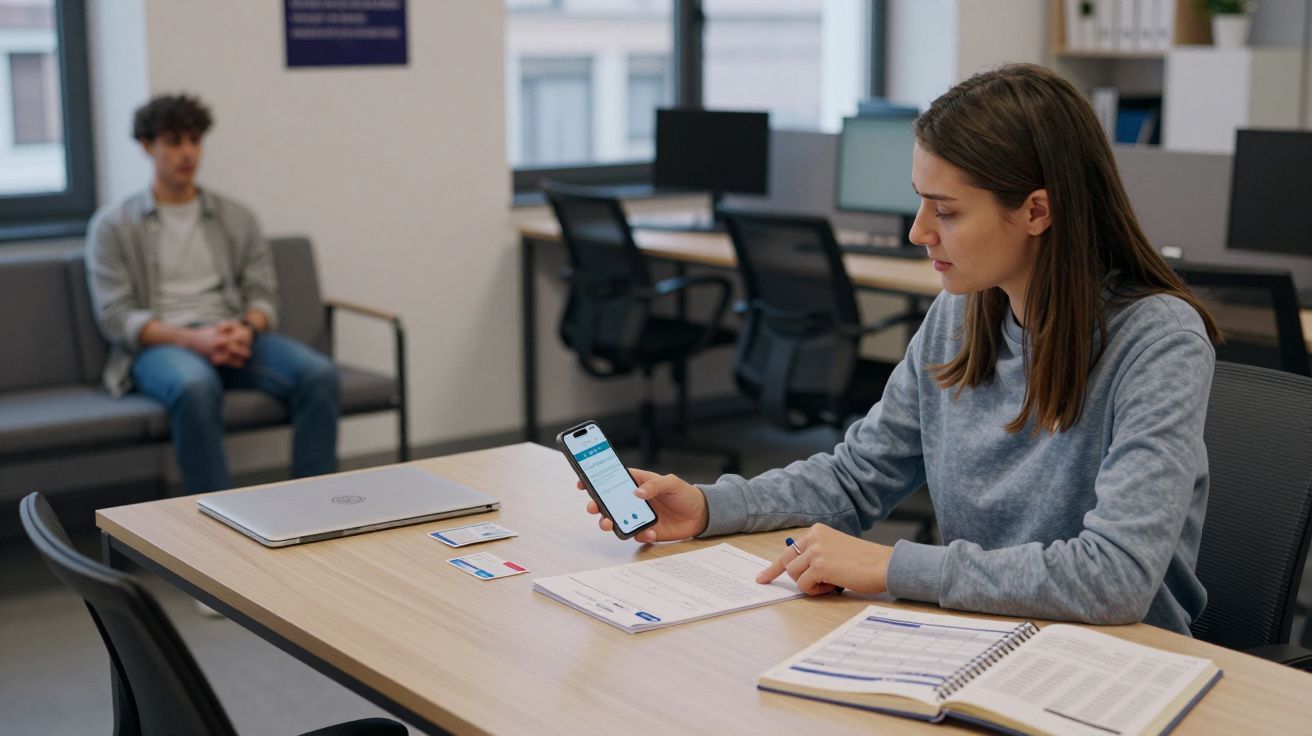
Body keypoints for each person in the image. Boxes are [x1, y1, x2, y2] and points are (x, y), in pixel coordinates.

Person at [578, 64, 1220, 635]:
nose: (919, 232)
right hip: (985, 632)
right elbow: (857, 477)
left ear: (1036, 211)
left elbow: (1114, 577)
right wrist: (711, 505)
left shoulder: (1158, 342)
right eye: (920, 204)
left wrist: (891, 566)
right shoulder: (961, 314)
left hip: (1118, 658)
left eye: (946, 211)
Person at [86, 93, 340, 494]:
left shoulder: (236, 217)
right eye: (173, 141)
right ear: (147, 147)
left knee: (320, 375)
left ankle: (316, 505)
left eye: (194, 140)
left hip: (231, 336)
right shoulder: (113, 226)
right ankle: (218, 525)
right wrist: (193, 340)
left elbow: (264, 296)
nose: (186, 153)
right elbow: (117, 317)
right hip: (161, 347)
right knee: (195, 386)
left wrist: (244, 329)